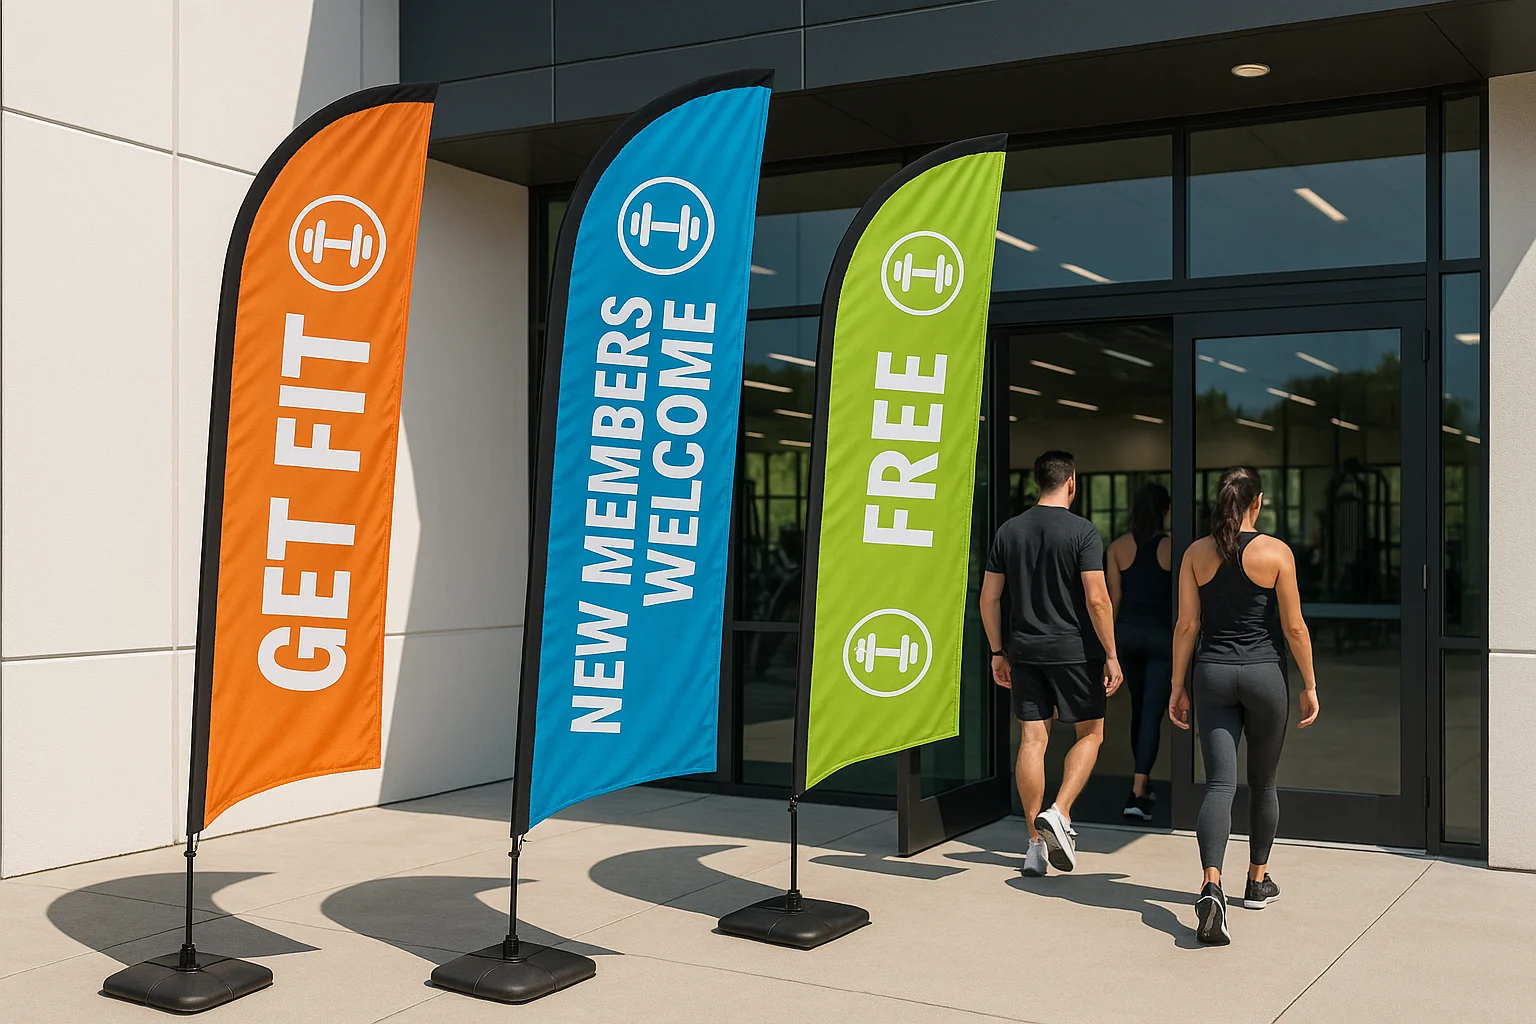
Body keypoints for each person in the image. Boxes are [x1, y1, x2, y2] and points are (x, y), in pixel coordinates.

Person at [1169, 466, 1320, 946]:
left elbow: (1187, 627)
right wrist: (1310, 684)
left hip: (1211, 675)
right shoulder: (1276, 552)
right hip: (1262, 675)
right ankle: (1256, 881)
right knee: (1263, 783)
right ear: (1256, 503)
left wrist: (1178, 685)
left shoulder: (1195, 553)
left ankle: (1211, 886)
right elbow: (1295, 628)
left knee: (1218, 785)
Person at [981, 450, 1123, 877]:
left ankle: (1033, 846)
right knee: (1092, 733)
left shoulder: (1009, 531)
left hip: (1025, 651)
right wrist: (1112, 653)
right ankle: (1059, 812)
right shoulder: (1082, 532)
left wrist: (997, 651)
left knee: (1032, 742)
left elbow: (988, 598)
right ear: (1072, 483)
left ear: (1037, 482)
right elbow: (1097, 600)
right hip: (1075, 652)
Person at [1106, 482, 1172, 822]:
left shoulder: (1117, 548)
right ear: (1164, 510)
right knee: (1151, 715)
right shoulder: (1172, 549)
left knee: (1138, 710)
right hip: (1162, 641)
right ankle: (1137, 792)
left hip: (1128, 637)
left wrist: (1109, 649)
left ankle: (1142, 784)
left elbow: (1113, 602)